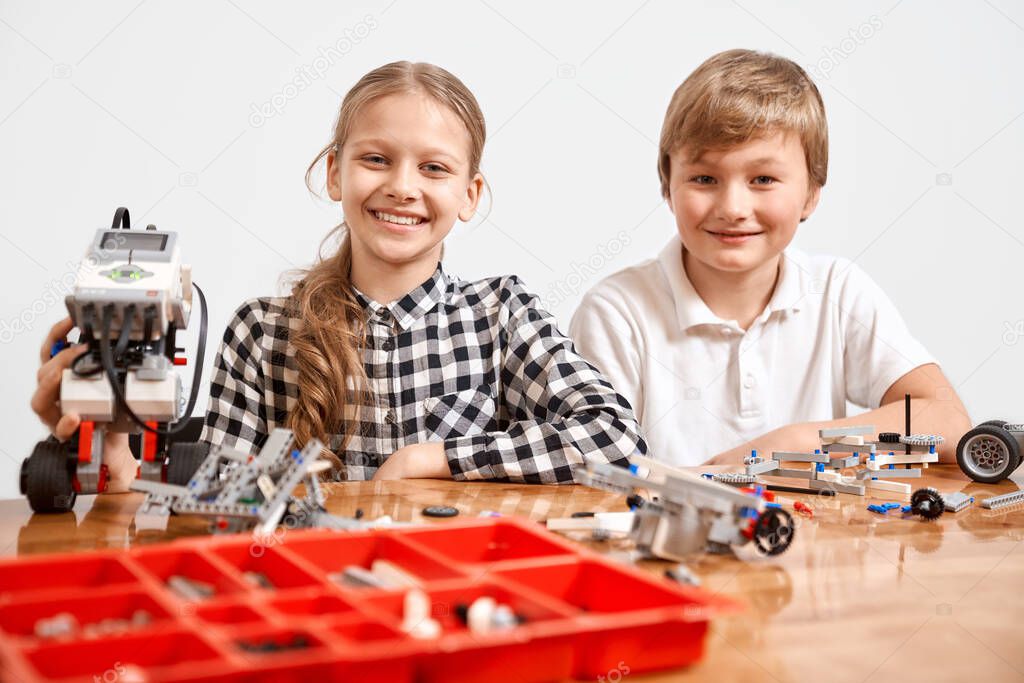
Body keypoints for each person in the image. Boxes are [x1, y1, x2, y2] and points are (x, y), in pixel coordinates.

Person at [33, 61, 645, 490]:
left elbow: (615, 438)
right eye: (376, 159)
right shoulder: (262, 333)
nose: (402, 187)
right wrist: (115, 450)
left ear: (469, 193)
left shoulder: (501, 315)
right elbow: (212, 507)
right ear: (334, 173)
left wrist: (433, 459)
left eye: (433, 168)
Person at [570, 49, 970, 467]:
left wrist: (795, 441)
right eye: (705, 178)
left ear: (811, 194)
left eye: (763, 179)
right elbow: (596, 471)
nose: (733, 207)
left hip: (811, 532)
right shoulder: (616, 312)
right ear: (668, 187)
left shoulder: (837, 290)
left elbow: (946, 420)